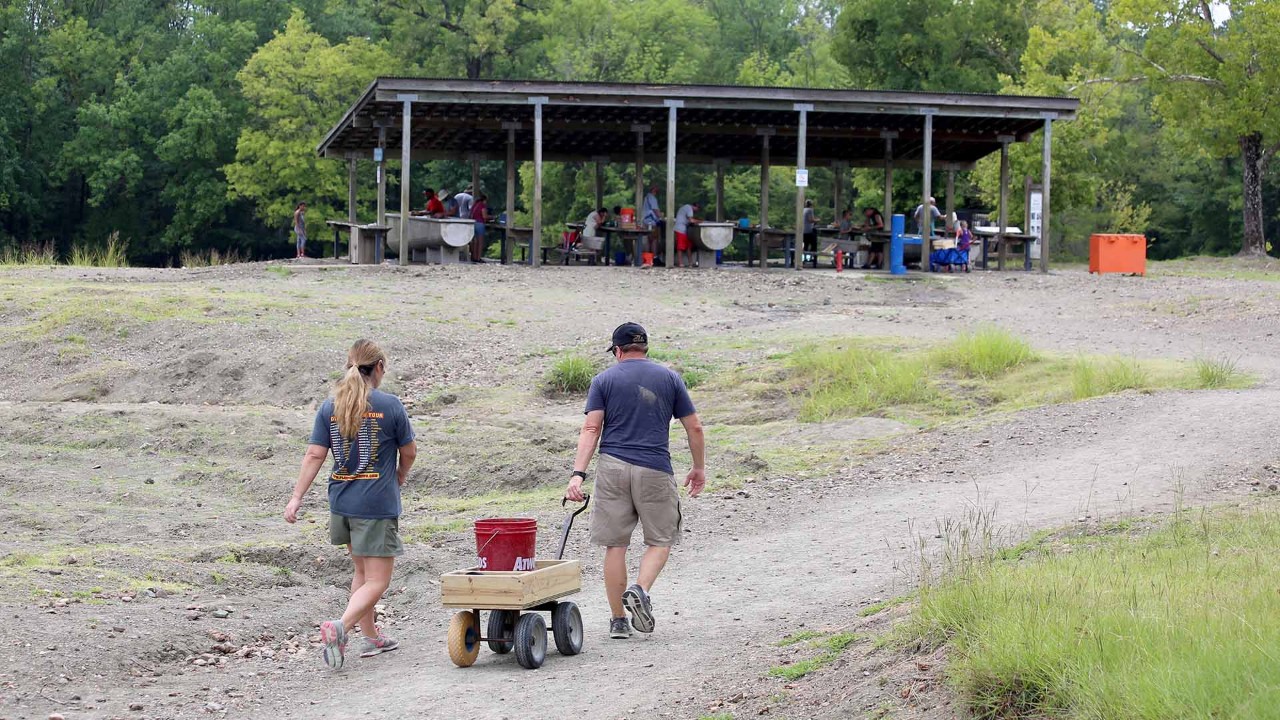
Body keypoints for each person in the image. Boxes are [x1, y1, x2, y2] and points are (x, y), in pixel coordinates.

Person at [564, 323, 705, 640]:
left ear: (617, 350)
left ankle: (617, 621)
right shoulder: (669, 378)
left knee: (616, 545)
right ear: (645, 348)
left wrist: (578, 474)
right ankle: (640, 589)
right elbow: (694, 427)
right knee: (660, 539)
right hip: (654, 467)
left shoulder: (603, 380)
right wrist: (698, 467)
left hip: (613, 468)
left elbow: (591, 429)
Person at [284, 339, 417, 670]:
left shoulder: (331, 406)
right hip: (376, 506)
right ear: (380, 367)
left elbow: (315, 454)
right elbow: (409, 452)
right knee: (379, 580)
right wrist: (399, 476)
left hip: (341, 503)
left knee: (361, 571)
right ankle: (340, 627)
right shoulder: (391, 405)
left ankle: (371, 636)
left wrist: (296, 497)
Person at [673, 201, 701, 268]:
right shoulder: (689, 209)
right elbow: (691, 220)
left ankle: (690, 263)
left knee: (688, 246)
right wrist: (700, 221)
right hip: (680, 229)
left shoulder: (685, 207)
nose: (696, 211)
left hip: (683, 229)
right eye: (697, 209)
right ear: (696, 206)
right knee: (680, 247)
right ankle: (681, 263)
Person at [641, 185, 663, 267]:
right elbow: (655, 209)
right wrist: (661, 217)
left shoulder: (646, 197)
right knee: (654, 240)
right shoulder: (652, 197)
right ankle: (655, 258)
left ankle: (648, 260)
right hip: (651, 222)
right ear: (654, 189)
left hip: (645, 221)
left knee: (648, 240)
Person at [470, 192, 491, 263]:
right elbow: (484, 216)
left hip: (473, 223)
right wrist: (491, 217)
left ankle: (473, 257)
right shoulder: (482, 205)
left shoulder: (475, 204)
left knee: (474, 242)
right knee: (480, 242)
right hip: (480, 224)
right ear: (484, 200)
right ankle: (478, 258)